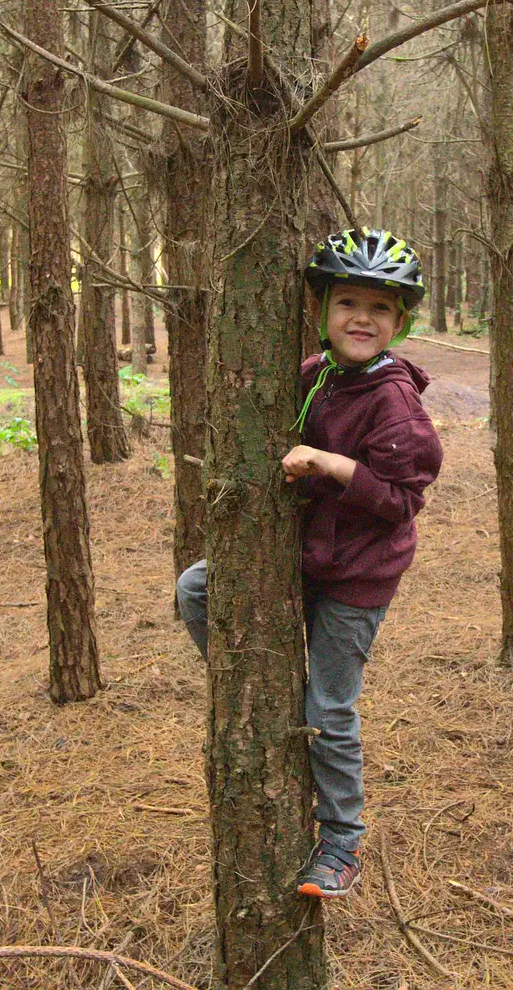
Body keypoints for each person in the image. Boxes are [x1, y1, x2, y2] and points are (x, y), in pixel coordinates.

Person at [176, 228, 444, 899]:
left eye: (380, 309)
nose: (362, 318)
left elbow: (402, 498)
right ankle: (258, 692)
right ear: (321, 310)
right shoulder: (317, 374)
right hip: (309, 552)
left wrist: (330, 462)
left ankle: (342, 841)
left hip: (358, 576)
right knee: (197, 588)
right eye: (348, 301)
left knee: (328, 706)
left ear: (400, 322)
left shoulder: (394, 402)